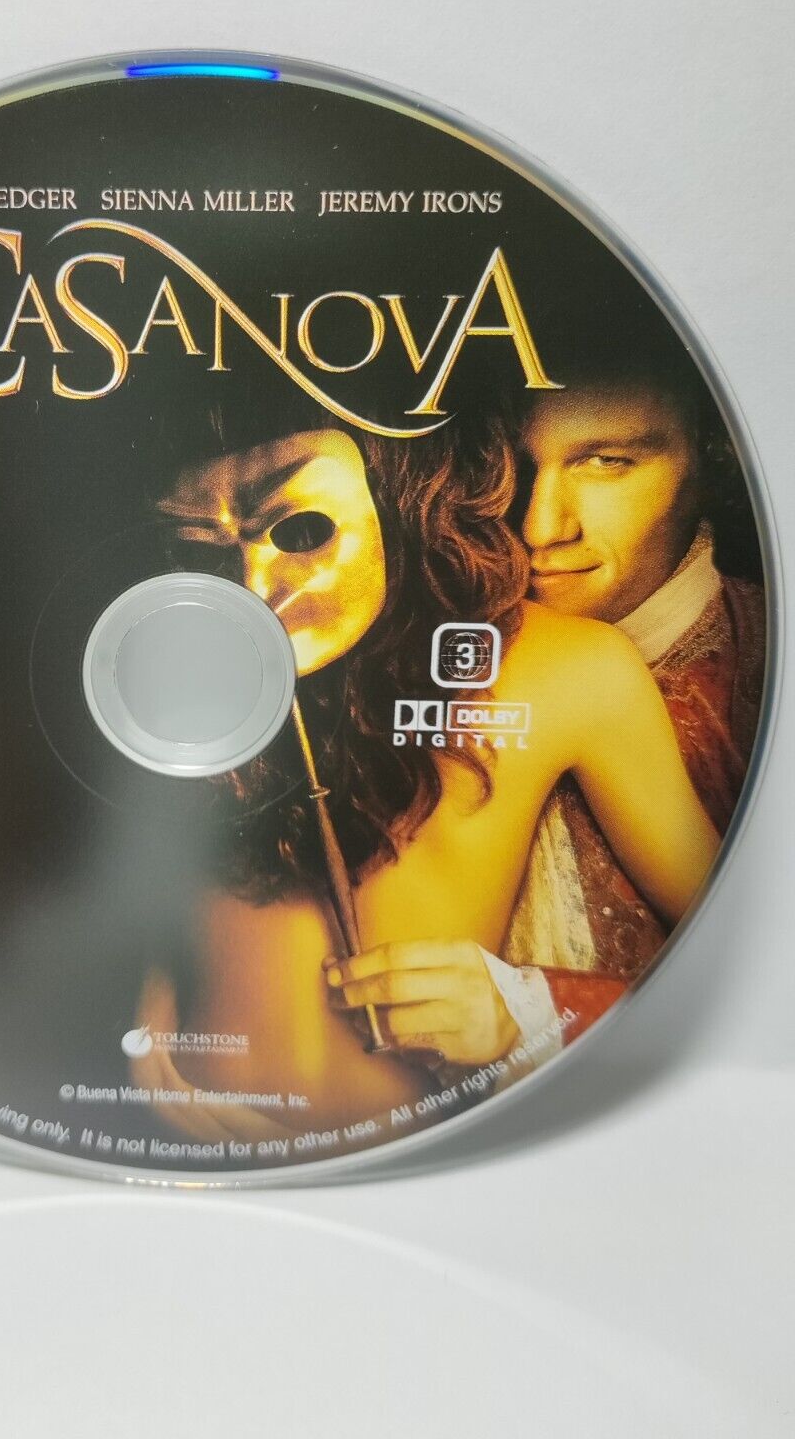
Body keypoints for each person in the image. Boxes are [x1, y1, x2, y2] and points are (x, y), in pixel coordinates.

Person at [128, 391, 721, 1142]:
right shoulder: (172, 671)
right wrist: (146, 1004)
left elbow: (742, 953)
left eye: (300, 529)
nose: (251, 590)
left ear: (403, 496)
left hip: (425, 1156)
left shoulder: (569, 669)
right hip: (176, 1132)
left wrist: (534, 1014)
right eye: (202, 550)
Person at [327, 358, 766, 1071]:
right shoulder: (398, 652)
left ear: (714, 457)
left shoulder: (769, 663)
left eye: (607, 462)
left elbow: (770, 985)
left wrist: (542, 1013)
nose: (538, 527)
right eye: (510, 465)